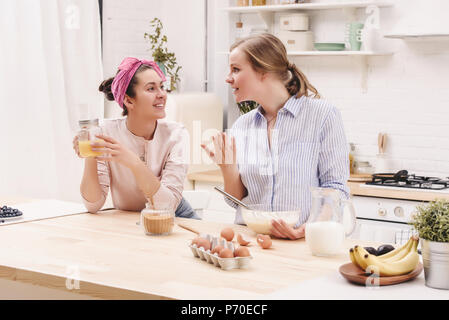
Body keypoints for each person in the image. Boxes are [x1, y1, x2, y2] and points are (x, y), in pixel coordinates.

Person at [202, 33, 349, 239]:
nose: (228, 78)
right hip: (251, 241)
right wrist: (227, 167)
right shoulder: (242, 125)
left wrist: (308, 229)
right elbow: (237, 201)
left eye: (236, 69)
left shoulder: (322, 116)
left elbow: (335, 189)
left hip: (303, 243)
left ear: (263, 72)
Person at [73, 57, 199, 219]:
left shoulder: (176, 135)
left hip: (176, 218)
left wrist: (133, 162)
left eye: (162, 86)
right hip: (129, 221)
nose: (162, 94)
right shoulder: (105, 132)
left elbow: (167, 206)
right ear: (128, 100)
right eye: (151, 89)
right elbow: (93, 205)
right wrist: (90, 153)